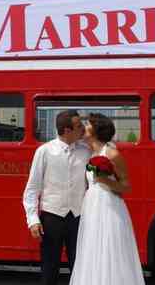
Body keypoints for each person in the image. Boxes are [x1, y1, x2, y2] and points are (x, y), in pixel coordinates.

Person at [69, 113, 145, 285]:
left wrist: (105, 180)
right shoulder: (88, 151)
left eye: (87, 124)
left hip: (109, 206)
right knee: (92, 248)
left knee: (110, 247)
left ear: (95, 130)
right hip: (92, 206)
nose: (84, 127)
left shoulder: (112, 153)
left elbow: (126, 186)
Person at [23, 109, 91, 285]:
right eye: (78, 126)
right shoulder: (44, 151)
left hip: (79, 217)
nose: (83, 128)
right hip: (52, 217)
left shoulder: (86, 152)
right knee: (49, 268)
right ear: (67, 130)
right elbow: (32, 188)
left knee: (80, 267)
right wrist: (33, 219)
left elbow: (94, 183)